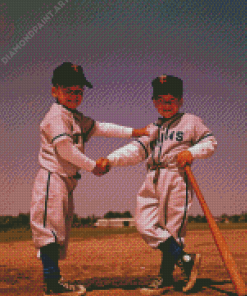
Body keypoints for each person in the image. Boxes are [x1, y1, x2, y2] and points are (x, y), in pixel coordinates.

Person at [30, 62, 149, 296]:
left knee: (58, 231)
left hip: (66, 181)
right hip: (51, 179)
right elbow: (65, 149)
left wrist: (135, 132)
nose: (74, 95)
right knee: (49, 230)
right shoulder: (56, 116)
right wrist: (92, 166)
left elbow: (101, 127)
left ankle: (53, 282)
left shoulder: (74, 116)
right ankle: (52, 284)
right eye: (68, 90)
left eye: (79, 91)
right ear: (55, 90)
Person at [104, 74, 217, 294]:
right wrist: (110, 160)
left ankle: (165, 278)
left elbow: (210, 142)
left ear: (181, 100)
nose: (166, 105)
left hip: (176, 177)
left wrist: (191, 152)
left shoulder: (191, 121)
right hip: (152, 177)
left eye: (172, 100)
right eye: (161, 100)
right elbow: (136, 150)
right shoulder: (153, 128)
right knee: (144, 223)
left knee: (172, 229)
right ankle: (185, 260)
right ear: (154, 101)